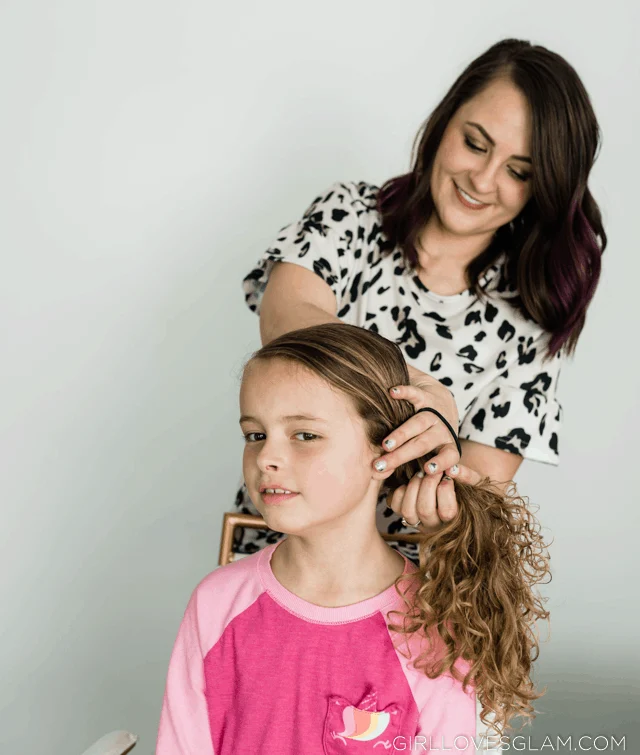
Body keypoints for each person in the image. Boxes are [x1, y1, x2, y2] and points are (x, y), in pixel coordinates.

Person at [232, 38, 606, 562]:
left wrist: (443, 481)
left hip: (402, 593)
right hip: (275, 557)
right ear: (443, 123)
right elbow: (288, 322)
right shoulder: (352, 217)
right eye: (476, 143)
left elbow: (479, 497)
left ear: (542, 188)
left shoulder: (531, 316)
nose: (482, 179)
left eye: (519, 171)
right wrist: (415, 389)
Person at [156, 323, 551, 754]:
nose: (266, 457)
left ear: (387, 450)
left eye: (305, 435)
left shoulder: (436, 626)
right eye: (255, 435)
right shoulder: (215, 605)